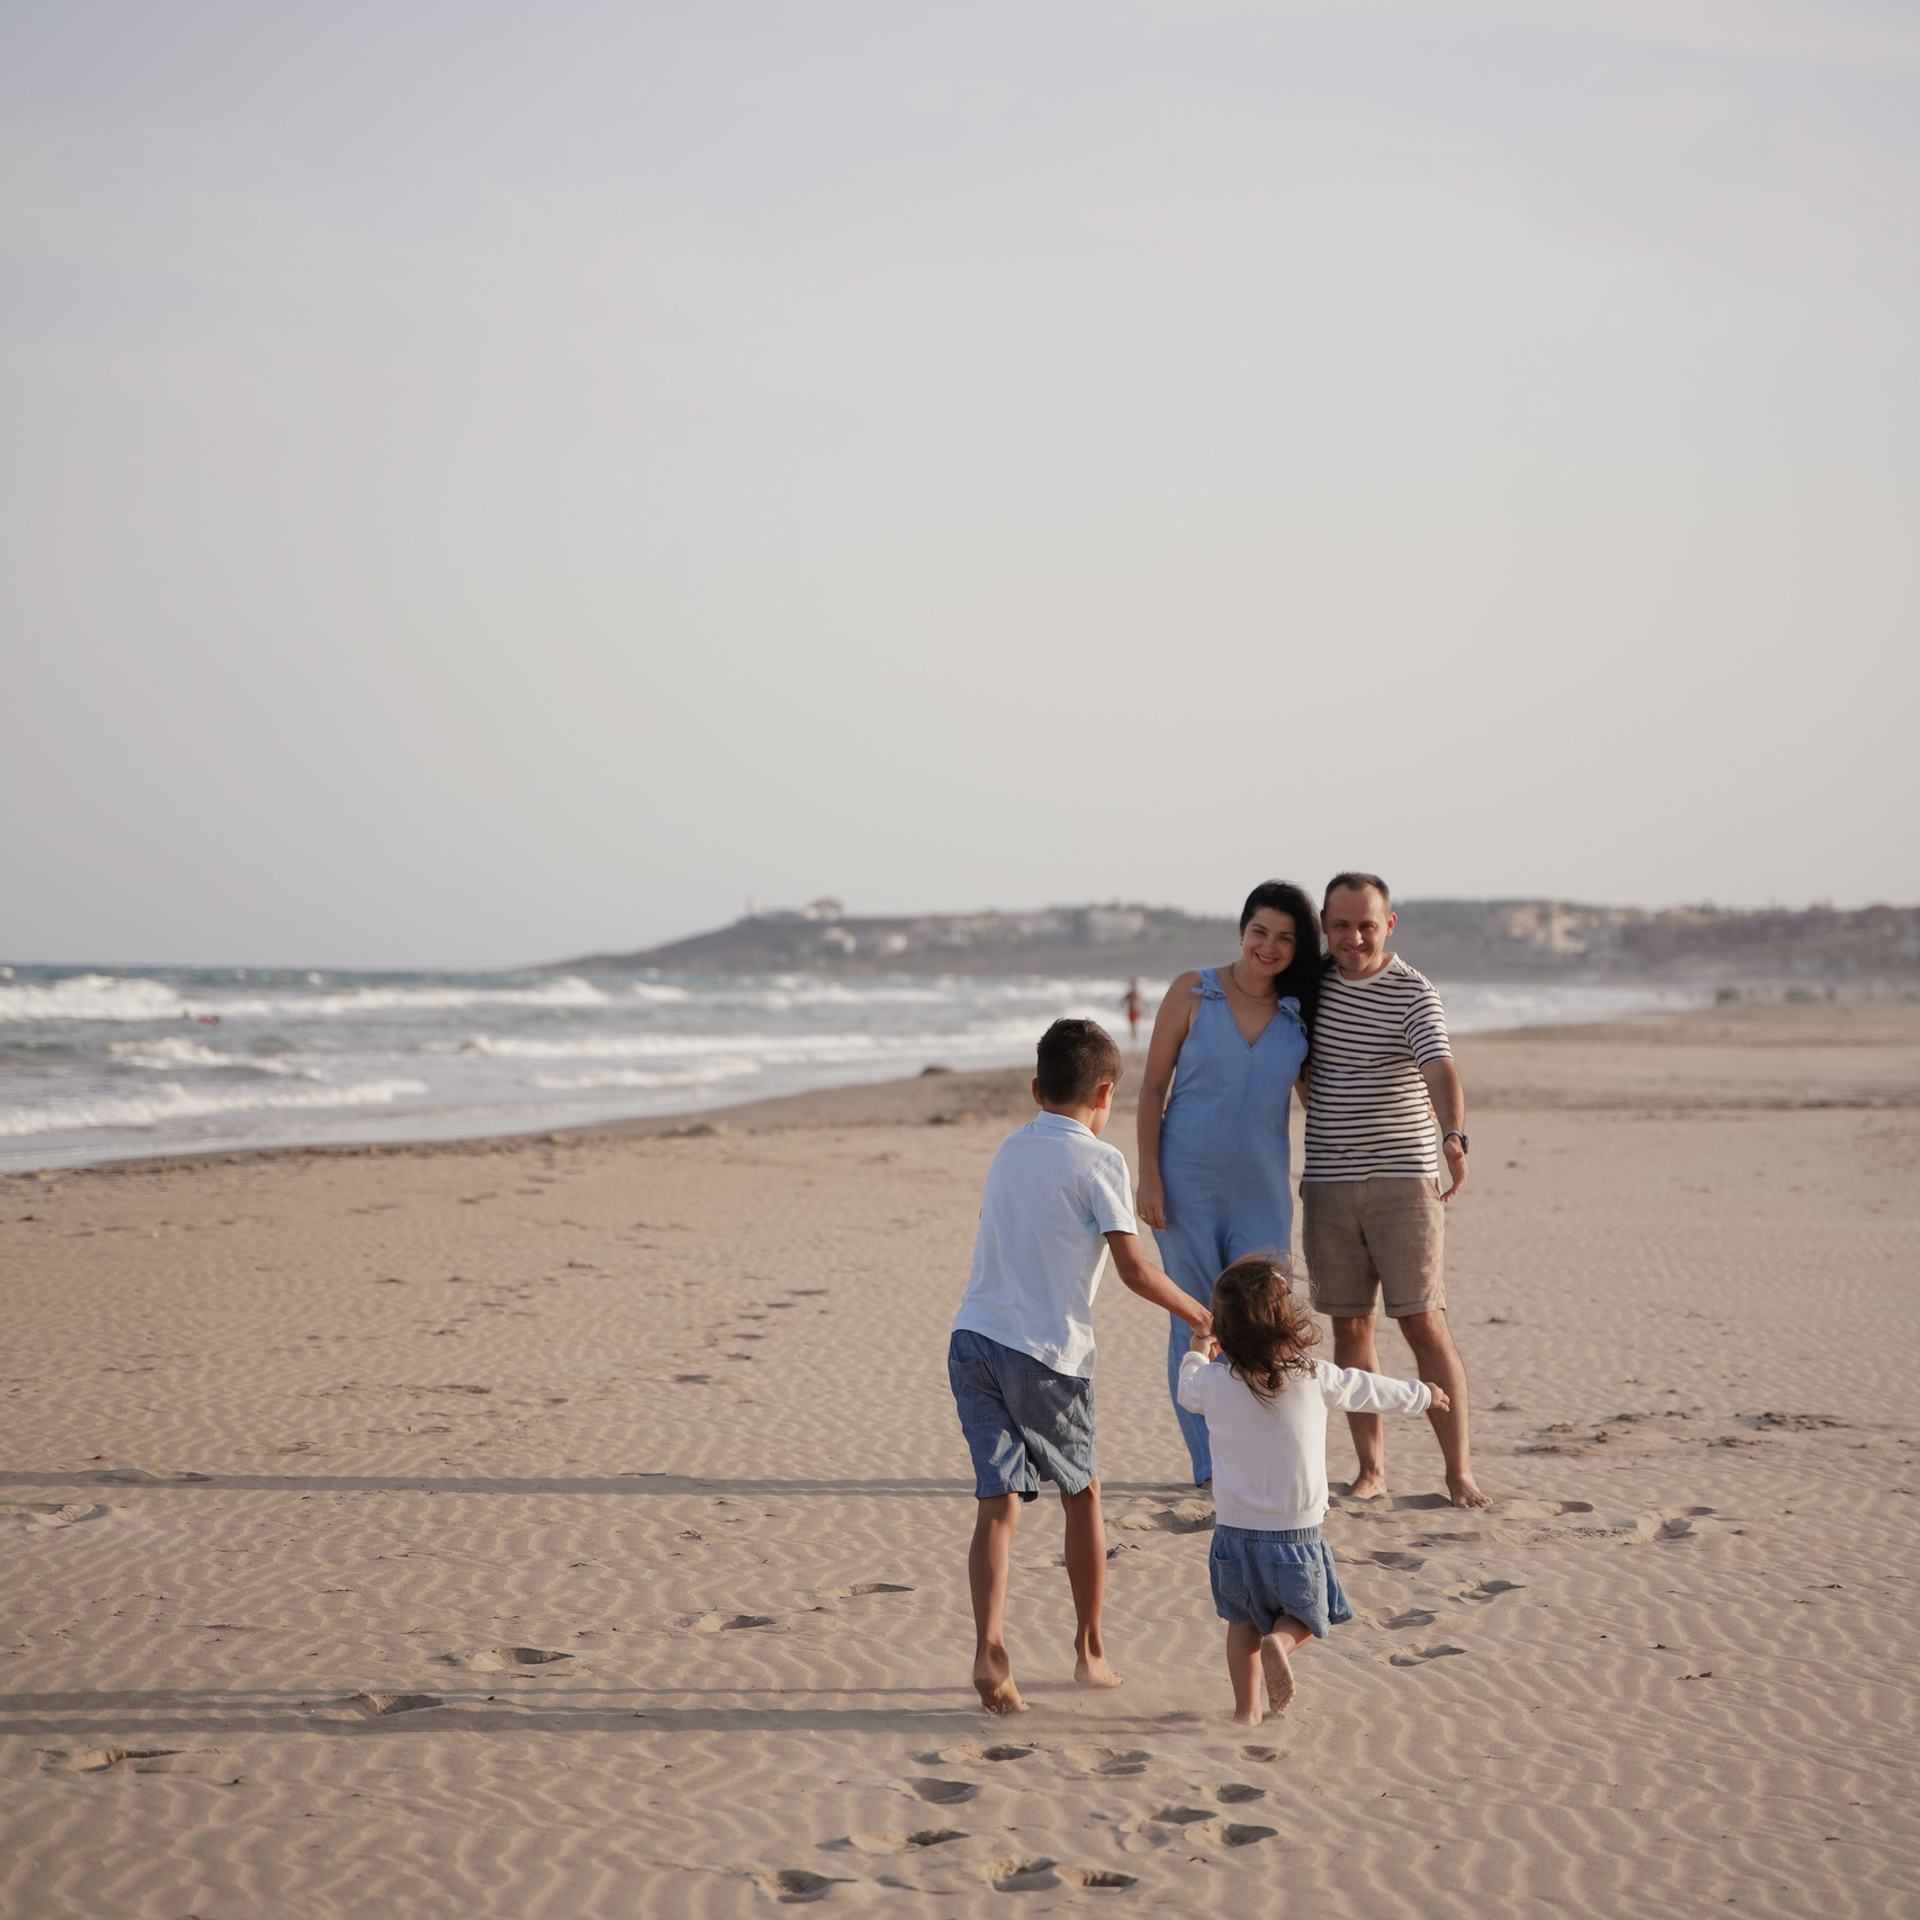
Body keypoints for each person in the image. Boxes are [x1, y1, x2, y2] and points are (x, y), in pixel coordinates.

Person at [948, 1017, 1213, 1715]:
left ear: (1036, 1089)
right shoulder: (1101, 1162)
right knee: (1083, 1494)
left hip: (973, 1338)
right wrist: (1199, 1314)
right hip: (1046, 1353)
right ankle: (1090, 1650)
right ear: (1105, 1093)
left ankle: (989, 1646)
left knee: (998, 1503)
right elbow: (1132, 1268)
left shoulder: (1009, 1148)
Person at [1177, 1254, 1443, 1724]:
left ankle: (1245, 1712)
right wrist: (1423, 1394)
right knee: (1306, 1613)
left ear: (1225, 1328)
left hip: (1232, 1538)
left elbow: (1187, 1387)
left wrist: (1199, 1345)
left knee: (1240, 1624)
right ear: (1287, 1322)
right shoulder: (1312, 1375)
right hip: (1295, 1537)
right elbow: (1368, 1389)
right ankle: (1279, 1643)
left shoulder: (1213, 1382)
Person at [1302, 872, 1490, 1508]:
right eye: (1340, 926)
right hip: (1326, 1182)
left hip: (1403, 1182)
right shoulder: (1312, 987)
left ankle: (1457, 1471)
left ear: (1390, 925)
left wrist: (1454, 1137)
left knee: (1422, 1322)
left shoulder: (1413, 992)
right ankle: (1371, 1471)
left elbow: (1440, 1066)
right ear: (1324, 926)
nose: (1353, 938)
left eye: (1366, 925)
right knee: (1350, 1327)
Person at [1136, 881, 1321, 1486]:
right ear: (1242, 930)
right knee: (1195, 1320)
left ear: (1298, 950)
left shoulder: (1299, 1015)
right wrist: (1149, 1176)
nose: (1269, 946)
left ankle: (1260, 1451)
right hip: (1184, 1185)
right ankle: (1211, 1467)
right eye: (1260, 931)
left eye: (1285, 938)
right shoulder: (1193, 990)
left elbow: (1324, 1100)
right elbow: (1150, 1089)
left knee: (1264, 1320)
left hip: (1262, 1191)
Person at [1121, 978, 1145, 1045]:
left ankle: (1135, 1041)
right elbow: (1123, 1001)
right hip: (1131, 1012)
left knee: (1135, 1027)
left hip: (1136, 1012)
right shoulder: (1130, 994)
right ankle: (1134, 1041)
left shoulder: (1138, 994)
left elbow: (1144, 1003)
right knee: (1132, 1027)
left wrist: (1146, 1011)